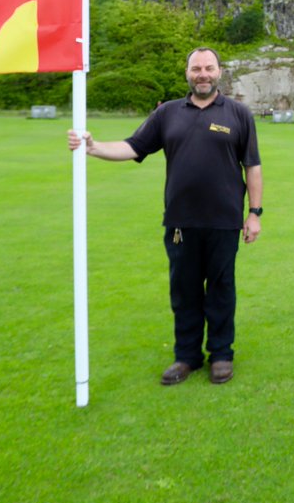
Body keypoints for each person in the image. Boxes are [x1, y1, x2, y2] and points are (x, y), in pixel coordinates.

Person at [68, 47, 263, 386]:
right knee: (184, 292)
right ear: (187, 73)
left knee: (221, 290)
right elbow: (133, 146)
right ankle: (186, 356)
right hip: (180, 223)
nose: (202, 74)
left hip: (224, 221)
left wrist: (254, 214)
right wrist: (93, 147)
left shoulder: (238, 114)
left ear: (219, 71)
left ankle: (221, 355)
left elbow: (253, 166)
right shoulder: (168, 113)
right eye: (196, 68)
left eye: (209, 68)